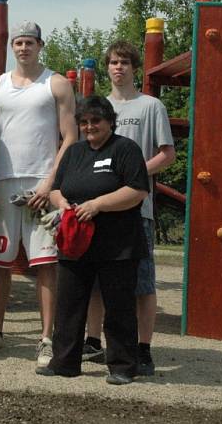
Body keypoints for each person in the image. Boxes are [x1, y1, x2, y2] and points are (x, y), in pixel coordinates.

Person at [0, 21, 76, 365]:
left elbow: (69, 138)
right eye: (18, 42)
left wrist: (49, 183)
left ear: (40, 44)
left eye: (29, 42)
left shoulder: (56, 84)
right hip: (3, 181)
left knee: (46, 264)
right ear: (12, 47)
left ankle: (47, 338)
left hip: (41, 182)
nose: (23, 48)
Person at [37, 95, 149, 385]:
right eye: (84, 122)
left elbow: (137, 190)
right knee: (69, 305)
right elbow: (56, 189)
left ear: (110, 121)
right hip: (75, 243)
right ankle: (64, 362)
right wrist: (62, 203)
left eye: (95, 121)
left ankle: (123, 366)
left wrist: (97, 204)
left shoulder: (126, 149)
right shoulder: (74, 153)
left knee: (119, 307)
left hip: (118, 245)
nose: (89, 126)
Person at [82, 41, 175, 376]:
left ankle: (143, 347)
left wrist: (133, 174)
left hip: (138, 208)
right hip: (97, 207)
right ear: (106, 67)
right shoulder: (97, 106)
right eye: (113, 62)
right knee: (93, 279)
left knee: (142, 282)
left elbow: (167, 153)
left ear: (134, 67)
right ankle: (93, 340)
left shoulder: (151, 107)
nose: (118, 67)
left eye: (124, 62)